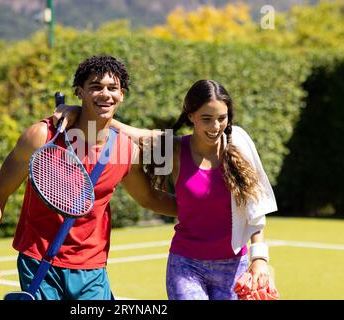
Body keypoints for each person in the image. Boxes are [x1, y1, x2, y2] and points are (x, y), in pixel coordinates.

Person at [0, 55, 177, 300]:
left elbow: (149, 198)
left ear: (122, 94)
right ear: (79, 92)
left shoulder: (126, 150)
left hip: (92, 271)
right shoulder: (42, 136)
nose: (105, 94)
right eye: (95, 87)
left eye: (112, 88)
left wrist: (207, 210)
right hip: (40, 264)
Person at [55, 79, 278, 300]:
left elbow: (253, 206)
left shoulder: (239, 144)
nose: (216, 126)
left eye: (222, 118)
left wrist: (259, 258)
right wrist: (82, 112)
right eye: (206, 119)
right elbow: (129, 132)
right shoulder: (174, 149)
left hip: (234, 267)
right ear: (191, 116)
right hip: (186, 266)